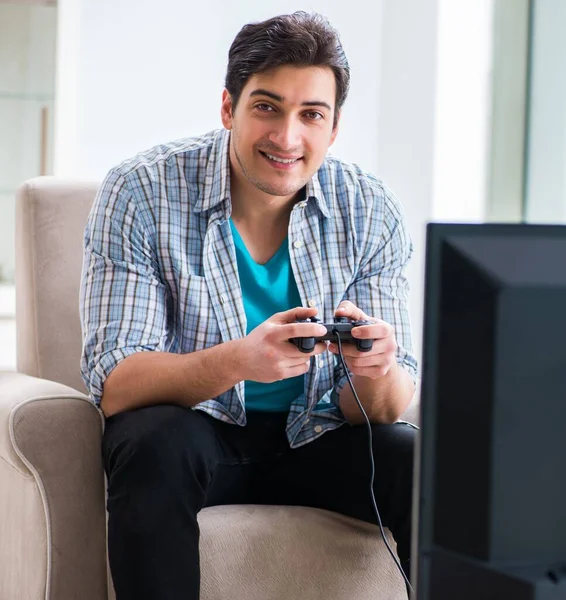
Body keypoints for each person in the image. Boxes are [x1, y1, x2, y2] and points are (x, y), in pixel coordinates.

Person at [80, 10, 418, 600]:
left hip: (317, 436)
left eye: (311, 114)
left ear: (334, 128)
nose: (287, 137)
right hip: (195, 433)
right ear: (227, 107)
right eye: (266, 106)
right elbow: (117, 383)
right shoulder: (140, 190)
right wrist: (239, 360)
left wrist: (376, 369)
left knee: (419, 462)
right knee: (151, 439)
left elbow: (383, 412)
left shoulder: (370, 209)